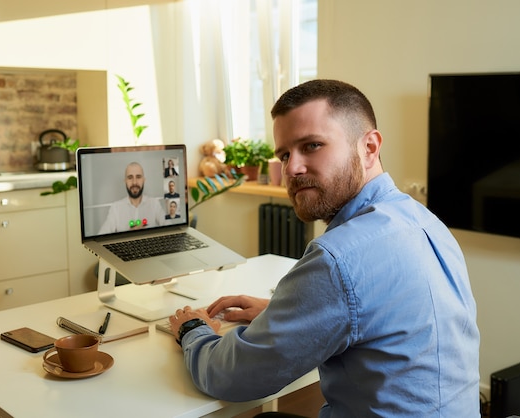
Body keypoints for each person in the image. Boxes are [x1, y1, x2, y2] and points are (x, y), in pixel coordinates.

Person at [168, 79, 480, 417]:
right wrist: (287, 314)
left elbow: (228, 377)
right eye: (284, 155)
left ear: (370, 147)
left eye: (312, 145)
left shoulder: (338, 258)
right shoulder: (426, 222)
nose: (292, 169)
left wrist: (193, 330)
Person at [98, 162, 165, 234]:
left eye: (138, 177)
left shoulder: (154, 204)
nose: (134, 182)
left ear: (144, 180)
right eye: (130, 178)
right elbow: (101, 237)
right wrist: (128, 236)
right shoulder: (116, 208)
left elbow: (170, 229)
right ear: (125, 181)